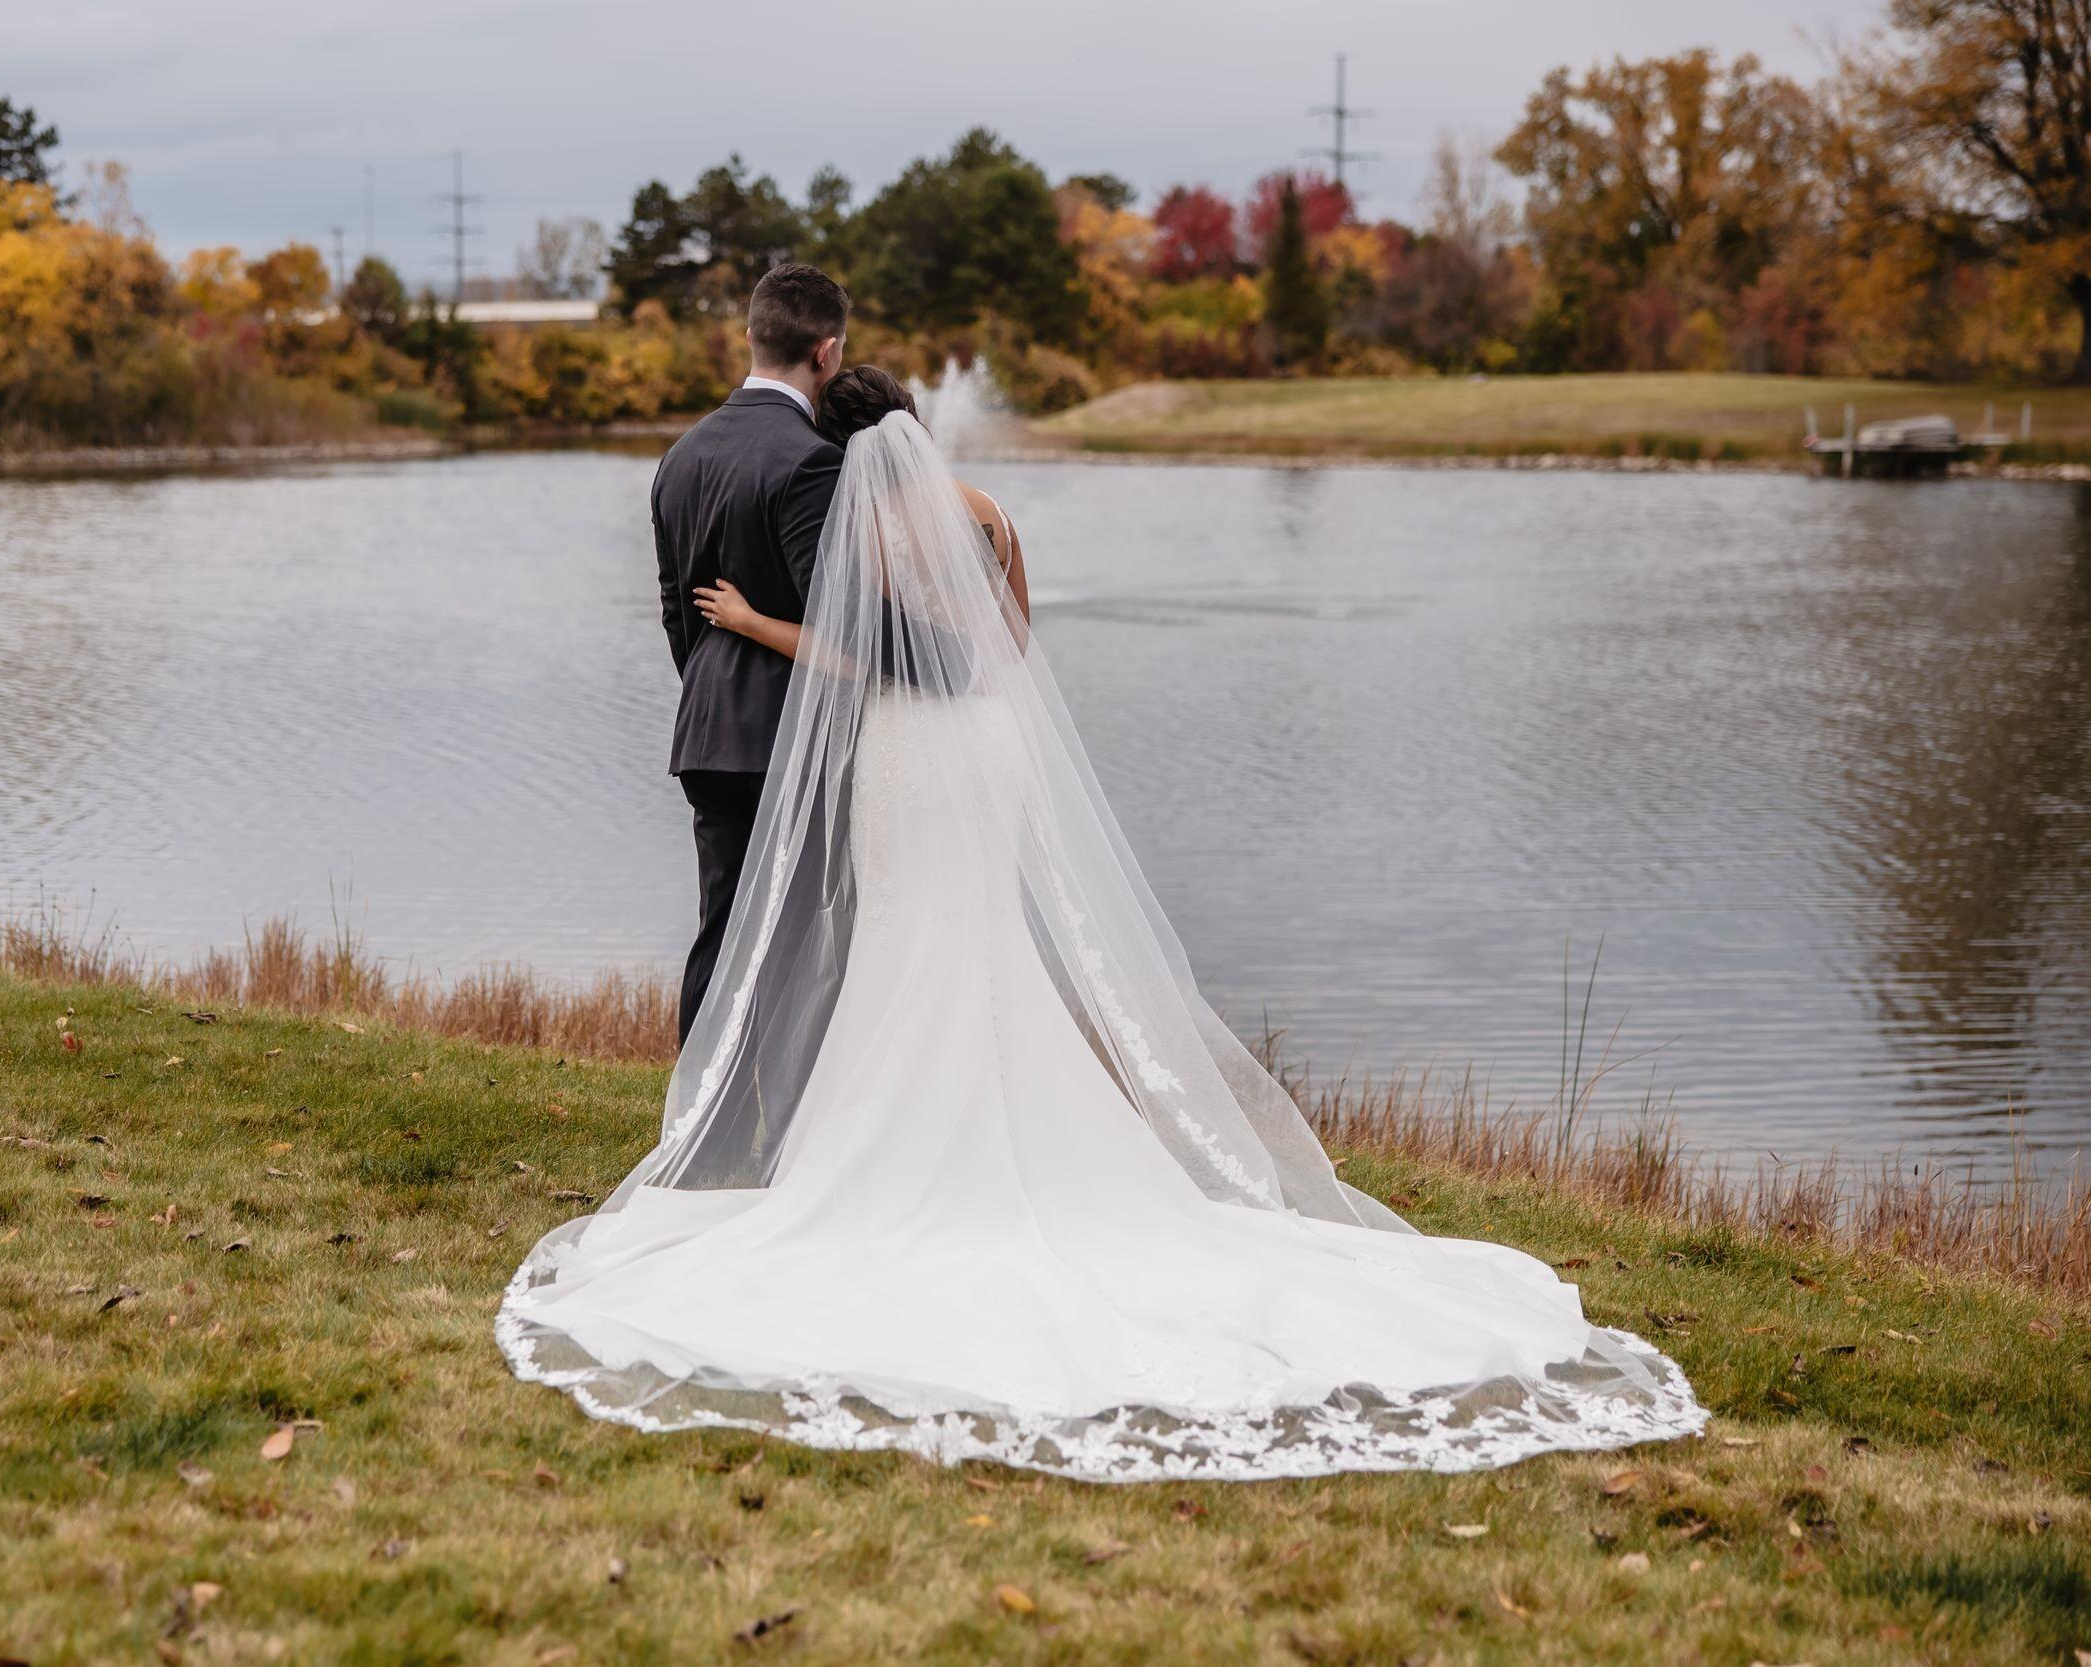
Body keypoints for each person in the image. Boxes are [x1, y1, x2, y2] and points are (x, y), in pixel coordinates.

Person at [502, 371, 1707, 1482]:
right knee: (982, 941)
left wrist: (755, 625)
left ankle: (881, 1150)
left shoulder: (870, 524)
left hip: (913, 755)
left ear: (855, 443)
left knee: (906, 941)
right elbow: (1009, 649)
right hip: (992, 752)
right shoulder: (988, 513)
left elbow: (879, 663)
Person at [649, 263, 849, 1046]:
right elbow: (840, 621)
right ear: (826, 353)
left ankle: (698, 1125)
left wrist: (712, 690)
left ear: (750, 336)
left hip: (706, 733)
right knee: (797, 947)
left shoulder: (682, 455)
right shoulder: (811, 461)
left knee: (720, 933)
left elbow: (676, 611)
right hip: (788, 738)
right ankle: (780, 1137)